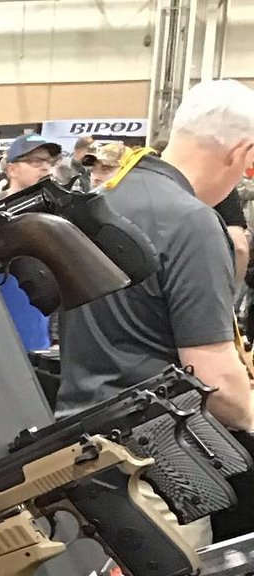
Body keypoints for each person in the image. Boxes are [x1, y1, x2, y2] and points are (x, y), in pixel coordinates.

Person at [59, 79, 254, 431]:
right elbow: (216, 384)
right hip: (155, 443)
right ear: (241, 152)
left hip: (78, 433)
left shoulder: (100, 201)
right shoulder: (193, 222)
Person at [0, 133, 64, 351]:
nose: (45, 167)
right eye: (35, 161)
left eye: (49, 162)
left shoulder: (56, 217)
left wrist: (57, 336)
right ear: (12, 169)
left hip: (38, 331)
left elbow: (66, 276)